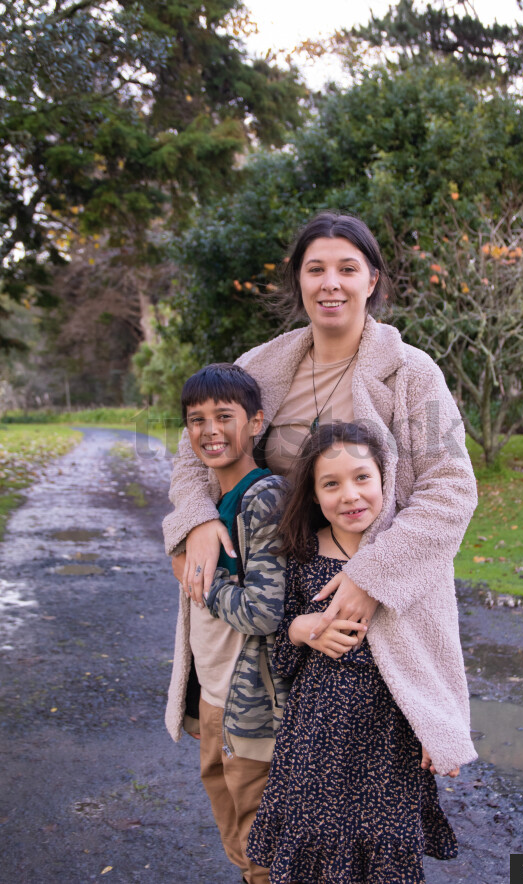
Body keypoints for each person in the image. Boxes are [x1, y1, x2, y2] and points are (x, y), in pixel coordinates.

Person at [163, 210, 478, 777]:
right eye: (316, 269)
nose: (331, 282)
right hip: (264, 597)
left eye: (347, 268)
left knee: (355, 793)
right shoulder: (260, 366)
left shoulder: (412, 374)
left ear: (371, 280)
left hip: (365, 603)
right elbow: (193, 452)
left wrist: (372, 576)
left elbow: (451, 489)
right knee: (245, 780)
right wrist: (197, 519)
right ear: (298, 280)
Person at [247, 422, 460, 883]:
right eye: (332, 484)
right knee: (317, 855)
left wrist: (436, 724)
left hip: (391, 737)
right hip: (316, 737)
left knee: (386, 853)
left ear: (385, 478)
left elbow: (438, 650)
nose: (350, 495)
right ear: (315, 495)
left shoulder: (410, 556)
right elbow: (283, 652)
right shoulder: (304, 553)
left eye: (362, 477)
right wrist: (303, 629)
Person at [164, 363, 289, 884]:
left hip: (249, 702)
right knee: (231, 825)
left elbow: (264, 611)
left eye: (224, 416)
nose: (210, 430)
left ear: (256, 422)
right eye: (196, 420)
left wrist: (201, 578)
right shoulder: (208, 507)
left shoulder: (264, 497)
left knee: (258, 839)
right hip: (213, 691)